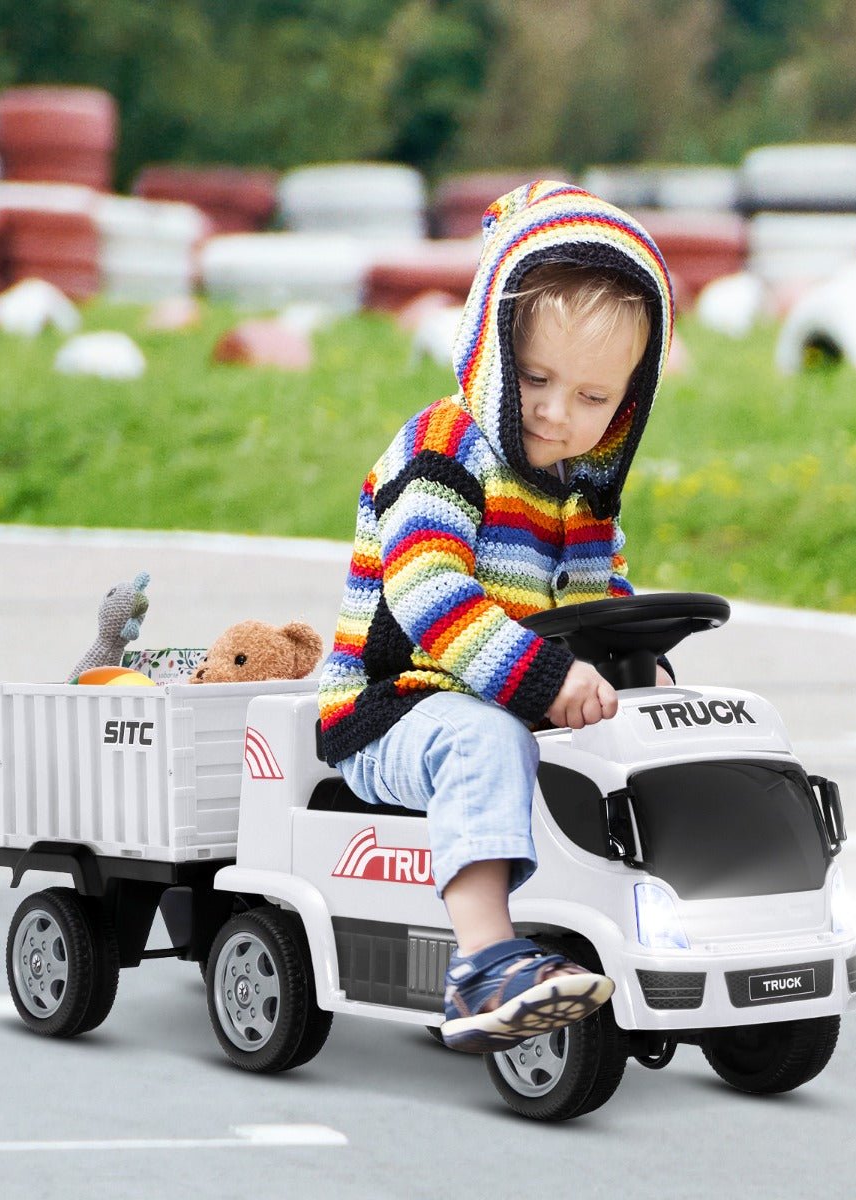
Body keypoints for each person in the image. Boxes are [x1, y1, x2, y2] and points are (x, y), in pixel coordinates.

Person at [317, 180, 675, 1053]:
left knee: (641, 740)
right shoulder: (445, 448)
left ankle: (654, 932)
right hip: (396, 703)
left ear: (629, 399)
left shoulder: (585, 492)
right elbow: (429, 590)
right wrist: (548, 680)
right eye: (538, 379)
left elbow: (602, 603)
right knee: (484, 741)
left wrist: (640, 670)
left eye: (594, 399)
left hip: (511, 696)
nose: (558, 413)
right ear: (489, 349)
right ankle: (482, 959)